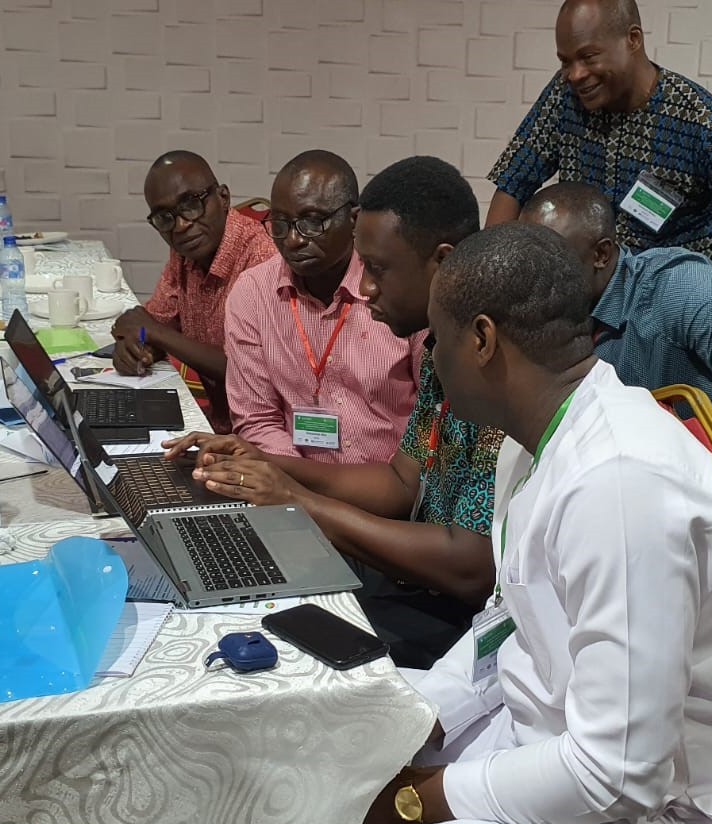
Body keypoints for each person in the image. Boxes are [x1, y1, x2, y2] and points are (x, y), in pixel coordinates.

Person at [244, 221, 712, 824]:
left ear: (481, 340)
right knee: (305, 754)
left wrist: (425, 798)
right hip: (556, 747)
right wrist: (411, 720)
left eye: (438, 342)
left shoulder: (621, 483)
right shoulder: (533, 439)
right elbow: (506, 627)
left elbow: (618, 773)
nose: (432, 361)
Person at [164, 157, 503, 668]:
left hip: (466, 621)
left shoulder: (487, 373)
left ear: (442, 262)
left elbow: (471, 570)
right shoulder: (441, 353)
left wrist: (296, 498)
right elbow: (400, 483)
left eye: (379, 271)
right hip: (413, 578)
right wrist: (266, 462)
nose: (365, 288)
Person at [522, 181, 712, 575]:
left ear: (601, 254)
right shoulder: (562, 310)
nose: (536, 278)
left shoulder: (671, 286)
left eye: (552, 261)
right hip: (669, 488)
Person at [485, 0, 712, 303]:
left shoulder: (702, 123)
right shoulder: (565, 96)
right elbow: (513, 183)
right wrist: (491, 280)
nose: (575, 74)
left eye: (589, 56)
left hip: (675, 307)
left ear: (633, 39)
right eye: (565, 61)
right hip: (591, 299)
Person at [223, 149, 423, 465]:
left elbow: (432, 422)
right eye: (280, 223)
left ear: (354, 219)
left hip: (392, 494)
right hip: (294, 482)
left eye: (312, 222)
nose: (292, 240)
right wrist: (301, 490)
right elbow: (256, 419)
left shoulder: (396, 291)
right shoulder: (254, 294)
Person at [112, 150, 277, 432]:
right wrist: (136, 346)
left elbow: (247, 370)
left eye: (191, 204)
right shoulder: (186, 251)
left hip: (261, 433)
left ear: (223, 198)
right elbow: (154, 321)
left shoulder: (263, 258)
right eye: (165, 218)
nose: (182, 225)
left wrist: (154, 333)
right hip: (213, 420)